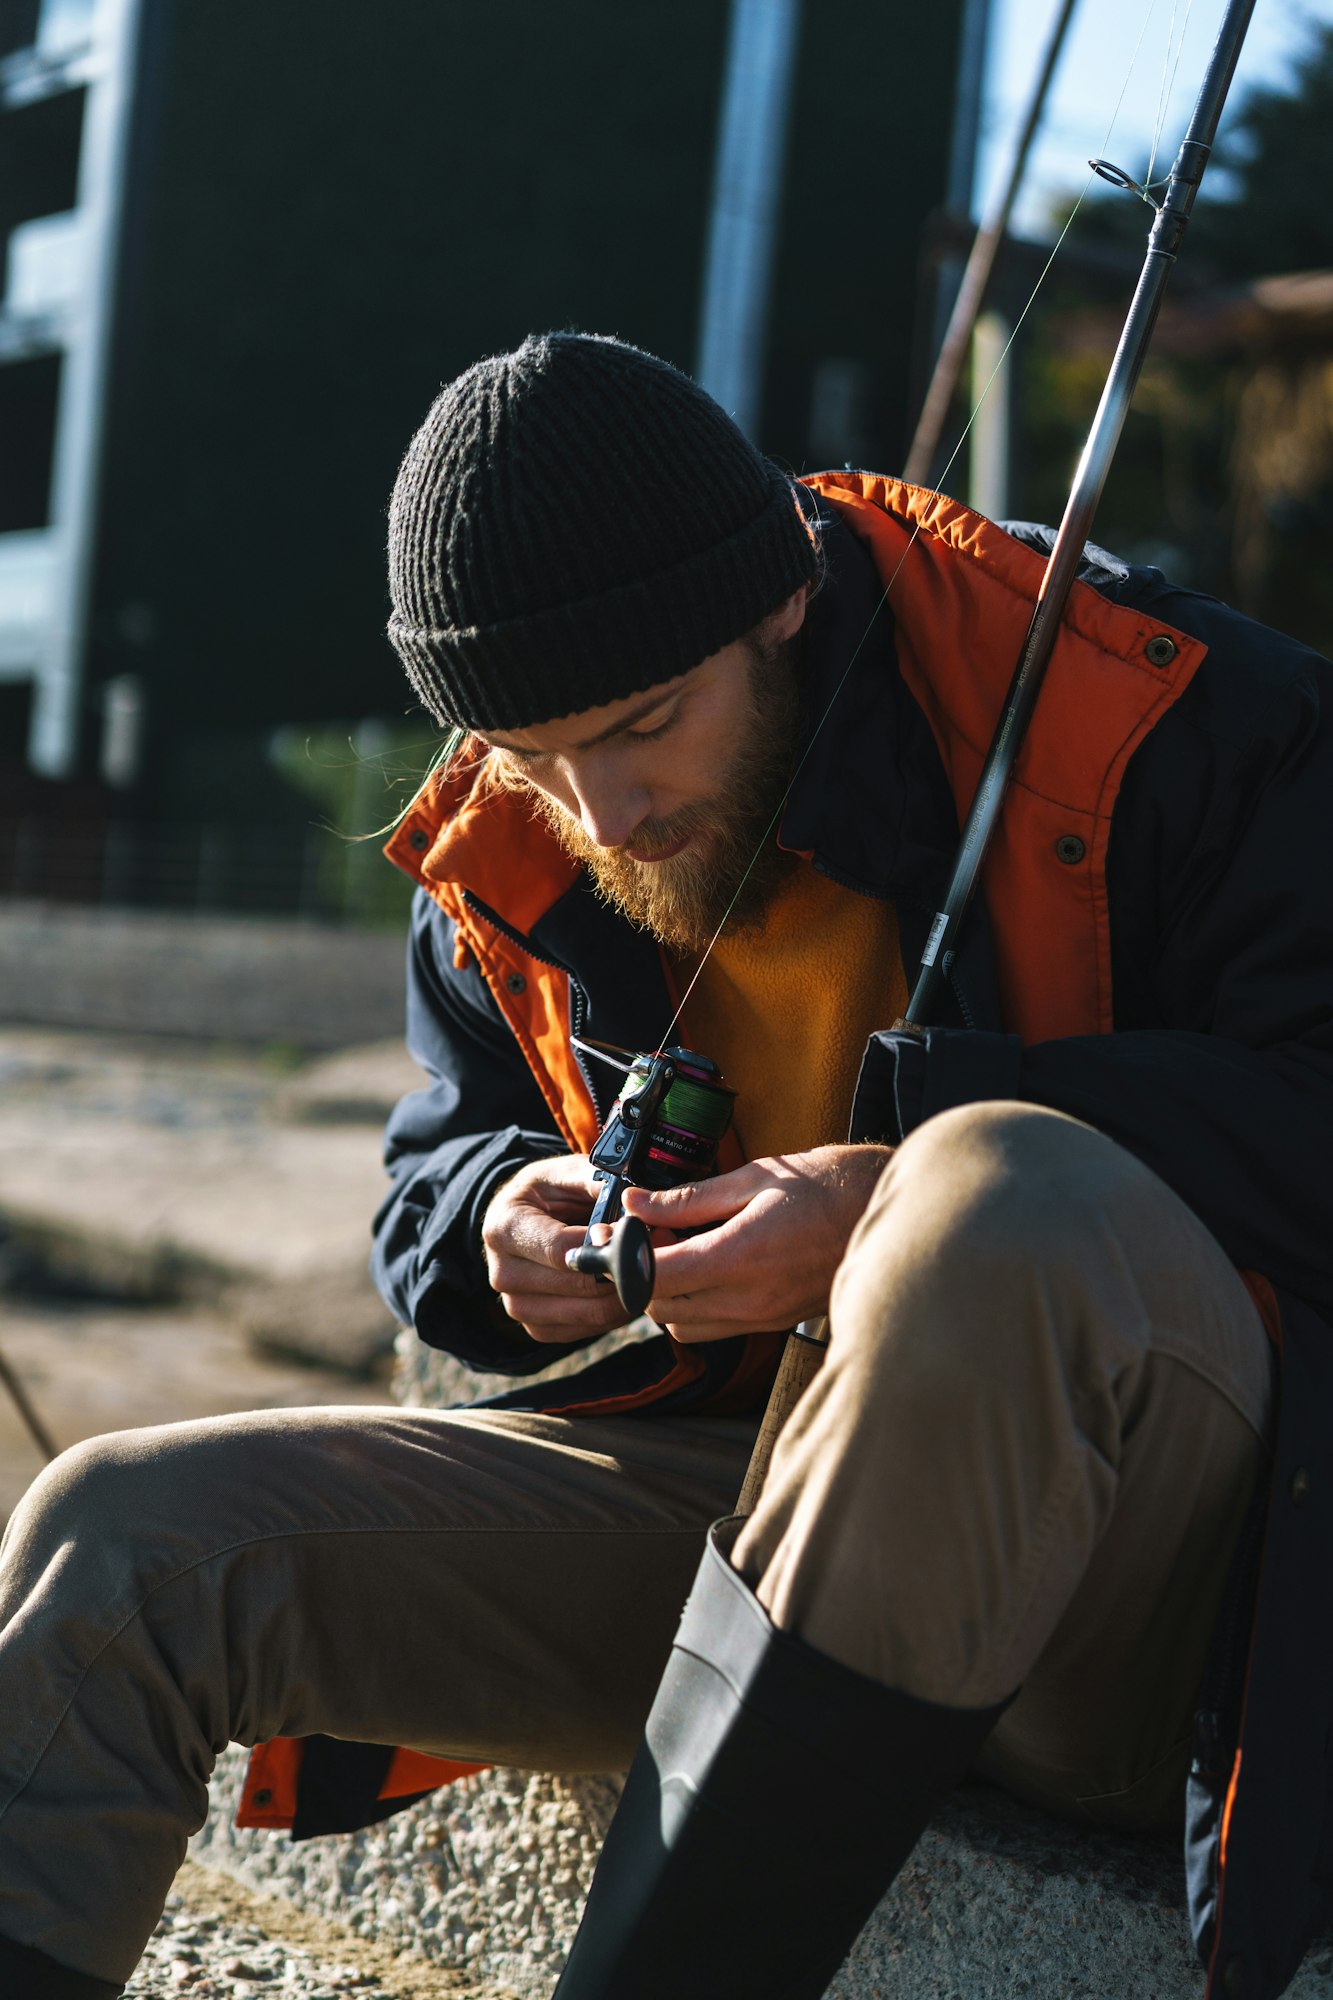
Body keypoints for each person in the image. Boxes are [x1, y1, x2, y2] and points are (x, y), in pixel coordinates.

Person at [0, 331, 1328, 2000]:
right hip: (758, 1537)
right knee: (117, 1536)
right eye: (536, 756)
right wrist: (488, 1215)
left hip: (1160, 1602)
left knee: (988, 1202)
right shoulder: (517, 827)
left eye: (645, 726)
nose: (602, 813)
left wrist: (888, 1189)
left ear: (782, 594)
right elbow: (429, 1170)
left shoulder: (1179, 718)